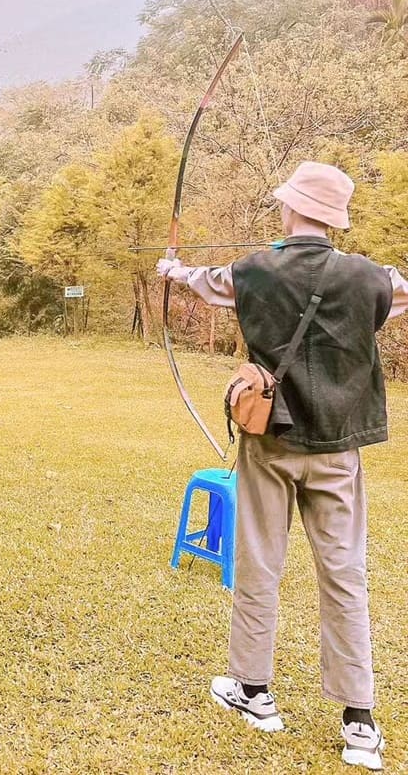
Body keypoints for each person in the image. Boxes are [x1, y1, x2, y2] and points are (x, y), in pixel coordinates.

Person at [157, 161, 408, 772]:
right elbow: (396, 293)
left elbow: (204, 281)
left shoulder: (254, 269)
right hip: (339, 446)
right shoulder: (372, 278)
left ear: (292, 207)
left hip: (270, 442)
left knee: (260, 565)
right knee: (345, 576)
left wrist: (172, 269)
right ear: (334, 218)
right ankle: (359, 724)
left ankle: (253, 691)